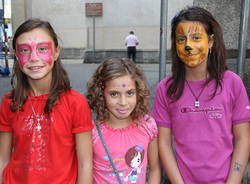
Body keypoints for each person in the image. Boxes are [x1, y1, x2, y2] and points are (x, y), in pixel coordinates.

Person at [152, 6, 250, 184]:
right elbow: (164, 144)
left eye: (196, 38)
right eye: (181, 39)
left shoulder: (233, 83)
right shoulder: (165, 89)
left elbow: (243, 138)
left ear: (211, 41)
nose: (188, 45)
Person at [0, 18, 93, 183]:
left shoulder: (75, 103)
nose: (34, 57)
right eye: (24, 51)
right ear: (16, 55)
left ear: (56, 52)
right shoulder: (9, 102)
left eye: (42, 49)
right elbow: (3, 159)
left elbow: (85, 164)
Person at [87, 57, 161, 183]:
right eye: (114, 94)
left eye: (130, 93)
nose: (123, 102)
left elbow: (154, 169)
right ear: (101, 93)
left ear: (138, 92)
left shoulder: (148, 126)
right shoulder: (92, 133)